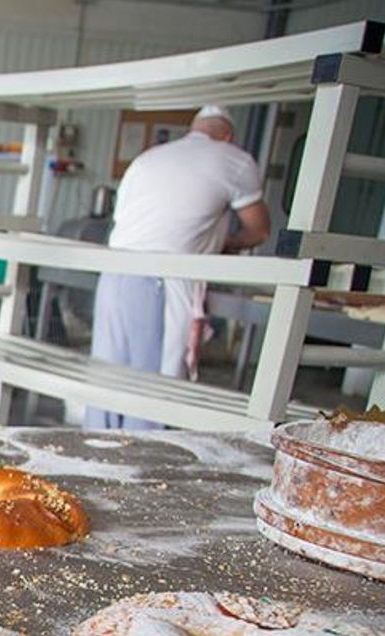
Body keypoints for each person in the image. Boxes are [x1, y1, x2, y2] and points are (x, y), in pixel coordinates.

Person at [86, 105, 271, 429]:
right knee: (153, 393)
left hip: (113, 274)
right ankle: (137, 474)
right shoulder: (233, 159)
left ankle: (93, 465)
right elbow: (260, 230)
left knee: (107, 384)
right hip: (162, 282)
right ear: (228, 136)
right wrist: (224, 245)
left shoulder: (148, 158)